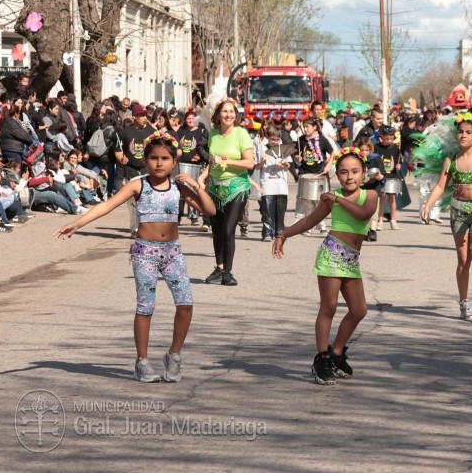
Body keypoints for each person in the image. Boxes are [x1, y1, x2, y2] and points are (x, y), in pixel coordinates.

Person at [53, 131, 216, 382]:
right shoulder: (137, 184)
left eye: (164, 158)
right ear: (145, 159)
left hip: (173, 252)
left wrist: (196, 185)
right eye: (153, 158)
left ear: (174, 161)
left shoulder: (179, 187)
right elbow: (107, 205)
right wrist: (77, 224)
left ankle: (174, 356)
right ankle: (142, 361)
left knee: (185, 304)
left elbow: (210, 209)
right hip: (145, 253)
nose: (159, 163)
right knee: (145, 307)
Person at [272, 147, 378, 386]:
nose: (349, 177)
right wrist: (284, 234)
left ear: (364, 173)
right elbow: (310, 220)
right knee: (328, 307)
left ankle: (337, 352)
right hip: (331, 253)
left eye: (354, 171)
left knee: (359, 310)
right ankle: (322, 358)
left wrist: (337, 199)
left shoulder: (369, 195)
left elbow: (364, 214)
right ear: (337, 175)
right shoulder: (332, 199)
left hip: (351, 258)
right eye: (343, 172)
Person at [421, 112, 472, 322]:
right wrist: (428, 205)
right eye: (460, 132)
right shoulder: (451, 160)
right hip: (457, 212)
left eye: (468, 132)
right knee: (463, 260)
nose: (463, 135)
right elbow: (440, 186)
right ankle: (464, 303)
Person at [200, 98, 254, 286]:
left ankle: (228, 273)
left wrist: (228, 161)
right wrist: (202, 178)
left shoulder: (241, 134)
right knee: (216, 231)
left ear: (236, 115)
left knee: (228, 229)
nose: (228, 115)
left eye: (231, 112)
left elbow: (250, 162)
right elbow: (213, 160)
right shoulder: (213, 134)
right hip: (215, 187)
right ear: (218, 114)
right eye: (225, 111)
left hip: (237, 187)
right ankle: (219, 267)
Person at [294, 117, 334, 233]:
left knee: (319, 200)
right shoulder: (301, 140)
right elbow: (296, 154)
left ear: (315, 127)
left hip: (319, 172)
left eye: (307, 126)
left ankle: (321, 223)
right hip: (305, 172)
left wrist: (328, 166)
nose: (305, 129)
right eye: (304, 127)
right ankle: (308, 225)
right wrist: (298, 157)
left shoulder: (322, 140)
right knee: (306, 200)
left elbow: (332, 153)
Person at [255, 124, 294, 241]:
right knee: (267, 210)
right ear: (267, 137)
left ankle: (279, 231)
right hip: (267, 182)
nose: (275, 142)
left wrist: (281, 165)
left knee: (280, 210)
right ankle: (267, 232)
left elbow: (288, 164)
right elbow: (257, 167)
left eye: (277, 139)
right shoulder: (261, 147)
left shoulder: (283, 148)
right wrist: (262, 162)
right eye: (273, 139)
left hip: (281, 184)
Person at [356, 136, 385, 242]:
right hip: (361, 188)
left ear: (371, 150)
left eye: (366, 150)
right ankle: (364, 230)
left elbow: (382, 174)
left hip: (373, 188)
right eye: (362, 150)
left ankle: (372, 231)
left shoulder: (376, 158)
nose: (364, 152)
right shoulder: (356, 159)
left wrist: (378, 176)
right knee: (361, 209)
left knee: (373, 209)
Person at [373, 125, 402, 230]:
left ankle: (393, 219)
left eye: (391, 138)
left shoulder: (395, 148)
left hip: (392, 176)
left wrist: (399, 166)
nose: (389, 141)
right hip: (380, 176)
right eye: (387, 139)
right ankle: (380, 220)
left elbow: (399, 161)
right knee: (381, 198)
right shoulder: (376, 147)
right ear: (381, 137)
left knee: (392, 198)